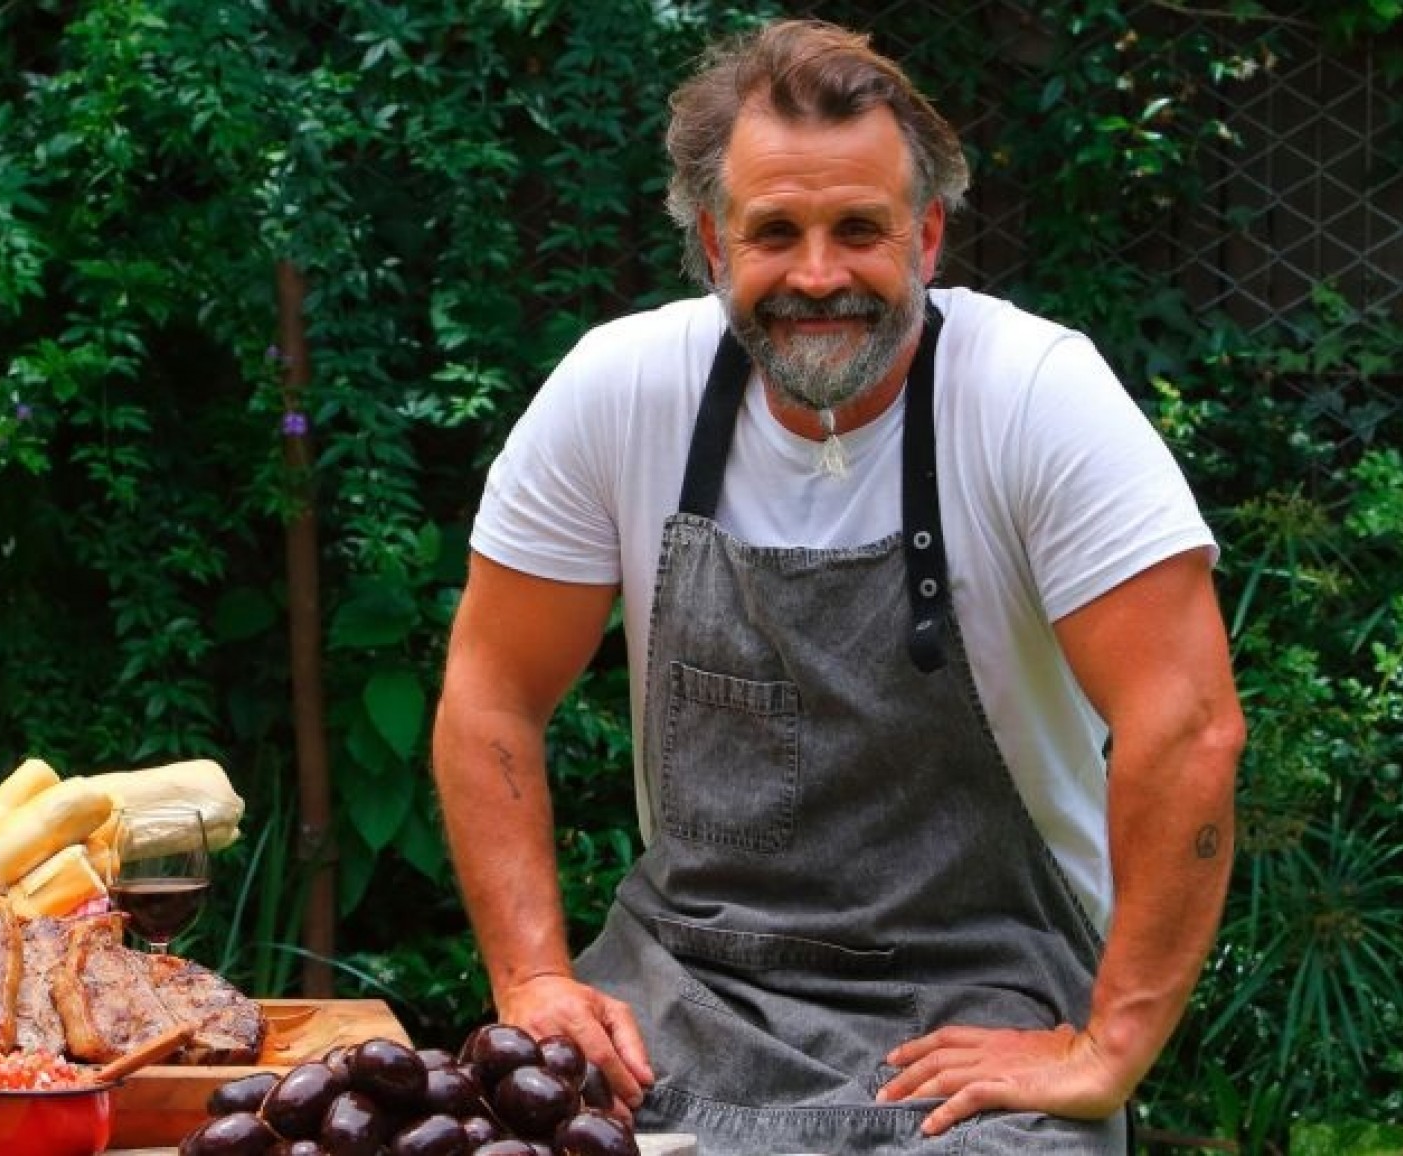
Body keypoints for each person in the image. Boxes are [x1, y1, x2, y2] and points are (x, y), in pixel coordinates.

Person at [429, 18, 1245, 1155]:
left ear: (928, 234)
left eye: (859, 229)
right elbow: (490, 691)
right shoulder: (619, 392)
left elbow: (1189, 724)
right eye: (777, 232)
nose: (820, 274)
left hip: (980, 1003)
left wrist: (1108, 1045)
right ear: (715, 246)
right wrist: (531, 980)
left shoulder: (1036, 398)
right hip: (681, 994)